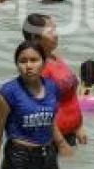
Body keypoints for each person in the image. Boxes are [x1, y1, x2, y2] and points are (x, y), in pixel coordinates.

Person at [0, 40, 70, 169]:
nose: (28, 66)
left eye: (34, 60)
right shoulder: (7, 93)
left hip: (48, 155)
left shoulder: (52, 88)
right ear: (17, 65)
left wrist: (62, 143)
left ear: (44, 63)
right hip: (19, 159)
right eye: (23, 61)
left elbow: (50, 120)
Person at [22, 14, 85, 151]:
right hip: (52, 141)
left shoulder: (56, 58)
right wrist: (61, 143)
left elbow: (71, 97)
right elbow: (41, 110)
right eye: (51, 31)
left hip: (69, 135)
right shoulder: (37, 67)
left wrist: (79, 126)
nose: (56, 34)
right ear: (35, 37)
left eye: (55, 29)